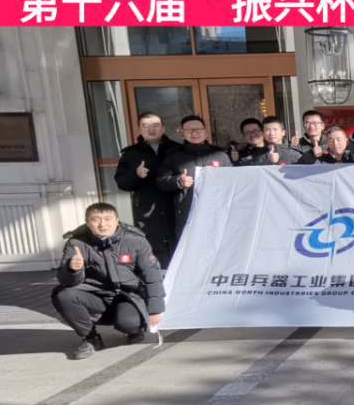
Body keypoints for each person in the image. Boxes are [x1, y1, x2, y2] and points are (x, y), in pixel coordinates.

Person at [52, 203, 165, 359]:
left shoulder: (135, 240)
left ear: (117, 220)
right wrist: (73, 269)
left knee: (129, 323)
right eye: (96, 219)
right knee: (64, 295)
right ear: (87, 222)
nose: (102, 224)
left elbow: (152, 274)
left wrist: (155, 309)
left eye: (107, 219)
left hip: (128, 297)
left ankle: (133, 329)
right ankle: (91, 338)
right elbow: (66, 281)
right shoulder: (76, 243)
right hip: (95, 296)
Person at [114, 112, 182, 269]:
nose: (151, 129)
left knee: (180, 245)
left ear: (163, 128)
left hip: (176, 207)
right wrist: (136, 174)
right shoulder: (131, 154)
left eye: (156, 125)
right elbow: (122, 183)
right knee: (152, 251)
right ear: (139, 130)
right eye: (146, 126)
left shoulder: (177, 150)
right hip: (148, 211)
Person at [156, 115, 232, 243]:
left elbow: (233, 182)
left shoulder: (220, 155)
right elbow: (160, 181)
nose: (194, 133)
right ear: (182, 132)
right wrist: (178, 181)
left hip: (218, 213)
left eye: (198, 129)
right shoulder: (174, 156)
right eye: (189, 130)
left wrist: (219, 175)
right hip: (187, 214)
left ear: (205, 131)